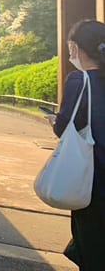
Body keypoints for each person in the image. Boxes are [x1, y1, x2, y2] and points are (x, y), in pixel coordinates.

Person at [53, 19, 105, 270]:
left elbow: (65, 127)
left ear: (76, 47)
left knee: (92, 244)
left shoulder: (79, 80)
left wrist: (54, 121)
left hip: (93, 178)